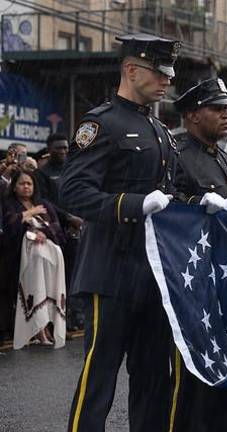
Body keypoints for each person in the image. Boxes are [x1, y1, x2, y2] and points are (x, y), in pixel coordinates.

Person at [60, 33, 181, 432]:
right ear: (131, 69)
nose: (168, 79)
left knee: (152, 379)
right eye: (159, 71)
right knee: (100, 376)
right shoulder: (102, 123)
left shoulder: (160, 131)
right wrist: (131, 204)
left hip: (153, 273)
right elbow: (73, 191)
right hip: (111, 268)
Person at [170, 76, 227, 432]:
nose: (226, 116)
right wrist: (195, 205)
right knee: (192, 380)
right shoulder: (177, 155)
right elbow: (167, 213)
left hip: (225, 284)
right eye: (216, 109)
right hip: (192, 285)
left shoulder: (226, 162)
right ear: (192, 115)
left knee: (223, 374)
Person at [3, 170, 67, 348]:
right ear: (14, 187)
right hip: (22, 258)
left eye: (29, 183)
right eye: (22, 183)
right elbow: (9, 226)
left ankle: (47, 327)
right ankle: (38, 329)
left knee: (48, 289)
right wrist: (29, 214)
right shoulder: (9, 204)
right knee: (36, 289)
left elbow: (57, 228)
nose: (26, 187)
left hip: (49, 258)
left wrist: (43, 232)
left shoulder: (43, 204)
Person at [35, 133, 85, 330]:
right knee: (59, 276)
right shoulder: (42, 174)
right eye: (59, 148)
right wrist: (69, 218)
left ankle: (77, 316)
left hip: (79, 229)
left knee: (77, 274)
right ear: (49, 150)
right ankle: (57, 319)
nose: (63, 151)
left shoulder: (72, 170)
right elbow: (44, 203)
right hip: (56, 231)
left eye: (65, 147)